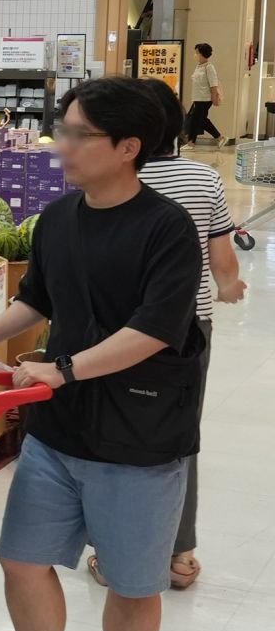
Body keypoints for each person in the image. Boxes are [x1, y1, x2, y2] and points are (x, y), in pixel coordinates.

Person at [0, 76, 205, 631]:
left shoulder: (166, 227)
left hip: (140, 435)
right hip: (58, 431)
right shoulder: (59, 218)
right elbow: (38, 300)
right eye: (61, 128)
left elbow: (156, 331)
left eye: (76, 133)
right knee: (22, 559)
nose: (60, 143)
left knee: (133, 583)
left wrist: (65, 370)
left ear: (127, 147)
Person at [83, 79, 244, 592]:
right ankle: (180, 555)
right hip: (185, 330)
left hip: (115, 330)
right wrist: (229, 286)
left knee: (107, 433)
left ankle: (113, 556)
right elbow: (222, 260)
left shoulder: (111, 178)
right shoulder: (203, 179)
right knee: (177, 436)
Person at [185, 42, 224, 144]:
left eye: (197, 53)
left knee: (195, 120)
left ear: (202, 54)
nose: (195, 55)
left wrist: (214, 98)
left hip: (205, 99)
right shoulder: (199, 66)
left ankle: (191, 143)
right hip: (197, 98)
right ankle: (220, 138)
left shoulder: (209, 67)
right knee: (202, 120)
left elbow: (213, 84)